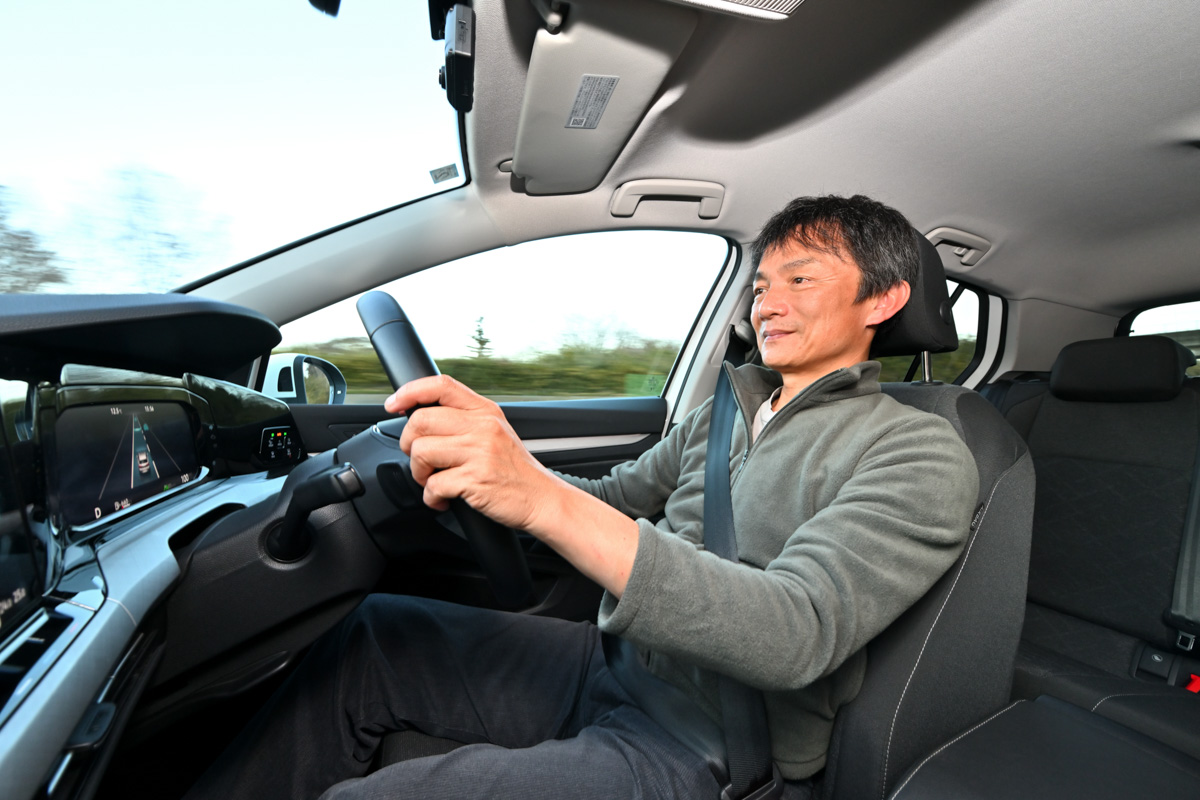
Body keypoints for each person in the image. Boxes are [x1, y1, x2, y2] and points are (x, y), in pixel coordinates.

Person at [186, 195, 978, 800]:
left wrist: (539, 497)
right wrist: (496, 463)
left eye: (800, 279)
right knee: (375, 634)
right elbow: (613, 498)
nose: (765, 303)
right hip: (618, 663)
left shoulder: (920, 451)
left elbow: (793, 632)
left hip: (717, 740)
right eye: (762, 283)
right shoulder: (725, 412)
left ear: (882, 300)